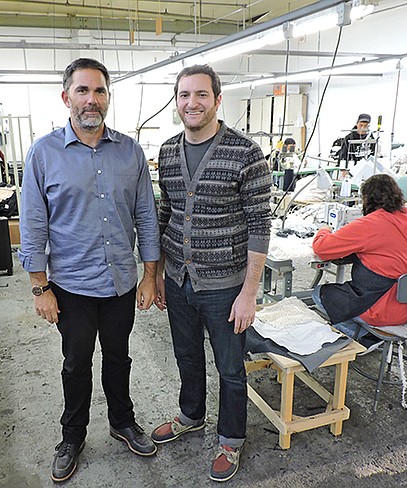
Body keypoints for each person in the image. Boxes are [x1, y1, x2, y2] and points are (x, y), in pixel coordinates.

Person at [17, 58, 160, 483]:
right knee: (76, 363)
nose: (91, 99)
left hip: (121, 282)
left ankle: (122, 421)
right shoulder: (44, 153)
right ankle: (72, 436)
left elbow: (147, 216)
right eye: (82, 91)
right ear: (67, 98)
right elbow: (33, 223)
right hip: (71, 286)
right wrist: (39, 287)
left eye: (99, 91)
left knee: (119, 357)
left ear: (108, 98)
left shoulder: (130, 151)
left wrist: (150, 276)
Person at [152, 65, 271, 483]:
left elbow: (260, 224)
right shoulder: (167, 152)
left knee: (230, 368)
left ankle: (231, 439)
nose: (192, 103)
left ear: (218, 99)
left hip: (225, 288)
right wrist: (157, 274)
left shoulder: (246, 153)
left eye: (201, 95)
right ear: (176, 101)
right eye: (184, 95)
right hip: (178, 281)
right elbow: (165, 214)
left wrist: (249, 293)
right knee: (186, 356)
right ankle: (191, 415)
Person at [312, 174, 407, 339]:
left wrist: (324, 229)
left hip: (380, 309)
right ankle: (368, 333)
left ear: (367, 199)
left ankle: (364, 336)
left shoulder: (371, 224)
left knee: (319, 294)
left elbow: (321, 249)